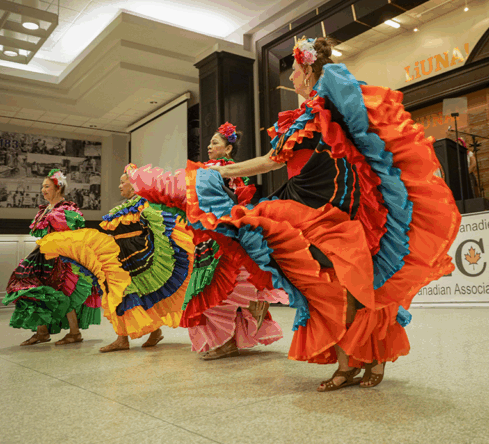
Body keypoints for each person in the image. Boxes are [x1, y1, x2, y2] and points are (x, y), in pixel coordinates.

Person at [134, 38, 460, 389]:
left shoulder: (328, 108)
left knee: (355, 280)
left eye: (294, 70)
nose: (290, 77)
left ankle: (368, 359)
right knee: (331, 283)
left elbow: (351, 137)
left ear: (307, 71)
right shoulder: (303, 117)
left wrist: (226, 172)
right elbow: (274, 159)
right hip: (305, 202)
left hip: (338, 204)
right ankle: (350, 360)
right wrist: (223, 172)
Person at [130, 124, 288, 360]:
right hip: (213, 236)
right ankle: (236, 327)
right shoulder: (216, 171)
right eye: (210, 142)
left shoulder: (221, 171)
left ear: (228, 148)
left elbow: (230, 203)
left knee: (217, 288)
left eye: (215, 142)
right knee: (222, 287)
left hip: (220, 236)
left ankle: (229, 336)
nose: (209, 146)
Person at [37, 164, 195, 353]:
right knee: (126, 294)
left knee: (126, 294)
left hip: (138, 257)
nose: (120, 186)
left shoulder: (144, 205)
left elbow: (159, 224)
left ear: (134, 183)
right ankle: (141, 334)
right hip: (122, 255)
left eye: (123, 182)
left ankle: (126, 338)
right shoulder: (126, 207)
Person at [3, 170, 102, 346]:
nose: (43, 190)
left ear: (58, 188)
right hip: (42, 254)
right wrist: (32, 253)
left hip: (59, 257)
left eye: (47, 186)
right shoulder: (47, 209)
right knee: (35, 289)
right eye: (42, 186)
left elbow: (70, 236)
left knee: (63, 291)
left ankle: (74, 332)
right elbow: (44, 238)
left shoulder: (64, 210)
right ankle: (42, 331)